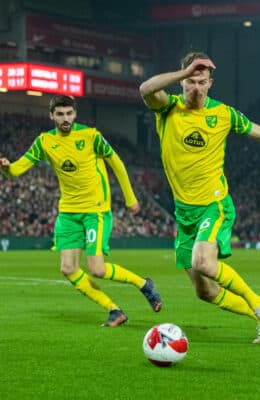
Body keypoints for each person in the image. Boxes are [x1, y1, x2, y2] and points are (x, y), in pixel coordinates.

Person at [139, 51, 260, 343]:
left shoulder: (223, 114)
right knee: (205, 292)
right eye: (190, 81)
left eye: (201, 82)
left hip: (214, 205)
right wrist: (185, 71)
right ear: (182, 82)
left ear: (210, 83)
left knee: (203, 262)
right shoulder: (167, 108)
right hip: (184, 213)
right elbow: (145, 89)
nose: (195, 88)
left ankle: (259, 304)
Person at [0, 95, 162, 327]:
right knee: (68, 268)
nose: (65, 118)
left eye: (68, 113)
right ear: (51, 116)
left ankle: (143, 284)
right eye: (60, 114)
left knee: (97, 269)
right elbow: (17, 170)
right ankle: (114, 310)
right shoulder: (44, 141)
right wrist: (6, 169)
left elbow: (116, 162)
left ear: (75, 114)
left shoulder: (90, 135)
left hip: (94, 210)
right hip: (68, 213)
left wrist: (130, 198)